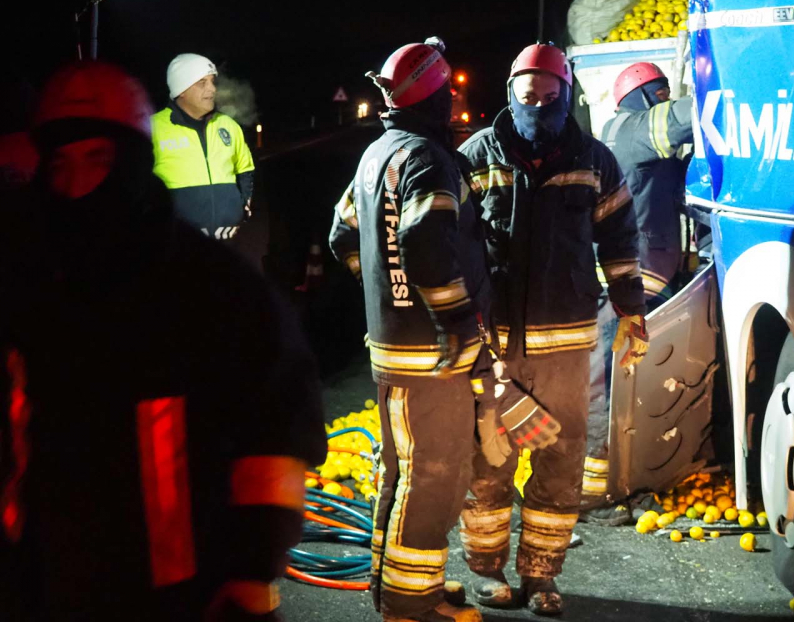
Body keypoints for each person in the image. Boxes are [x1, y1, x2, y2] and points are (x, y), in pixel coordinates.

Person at [0, 62, 326, 622]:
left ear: (130, 161)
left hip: (179, 588)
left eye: (97, 159)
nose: (76, 185)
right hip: (47, 579)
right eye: (61, 163)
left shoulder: (214, 286)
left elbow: (274, 427)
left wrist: (250, 570)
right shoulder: (31, 281)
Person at [457, 43, 647, 616]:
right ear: (510, 93)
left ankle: (541, 574)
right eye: (526, 95)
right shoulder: (475, 157)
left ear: (565, 95)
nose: (537, 105)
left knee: (560, 462)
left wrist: (631, 309)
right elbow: (452, 248)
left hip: (566, 346)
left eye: (548, 95)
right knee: (489, 461)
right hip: (496, 346)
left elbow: (618, 240)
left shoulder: (594, 160)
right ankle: (486, 570)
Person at [329, 37, 493, 622]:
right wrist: (455, 321)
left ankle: (393, 587)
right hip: (431, 357)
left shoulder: (378, 153)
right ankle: (410, 603)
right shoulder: (427, 157)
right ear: (437, 96)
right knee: (435, 478)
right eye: (448, 93)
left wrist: (381, 292)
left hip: (392, 347)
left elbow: (342, 236)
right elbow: (425, 247)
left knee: (400, 473)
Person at [580, 61, 695, 523]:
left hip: (634, 284)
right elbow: (687, 117)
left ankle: (619, 479)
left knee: (625, 384)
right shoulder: (631, 129)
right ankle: (594, 493)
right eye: (661, 93)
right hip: (624, 288)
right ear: (645, 97)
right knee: (609, 387)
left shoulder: (624, 136)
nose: (666, 100)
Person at [151, 53, 255, 240]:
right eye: (202, 83)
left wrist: (241, 210)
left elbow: (245, 168)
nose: (212, 89)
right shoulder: (152, 128)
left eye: (212, 81)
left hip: (227, 244)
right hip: (175, 244)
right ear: (181, 90)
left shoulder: (229, 126)